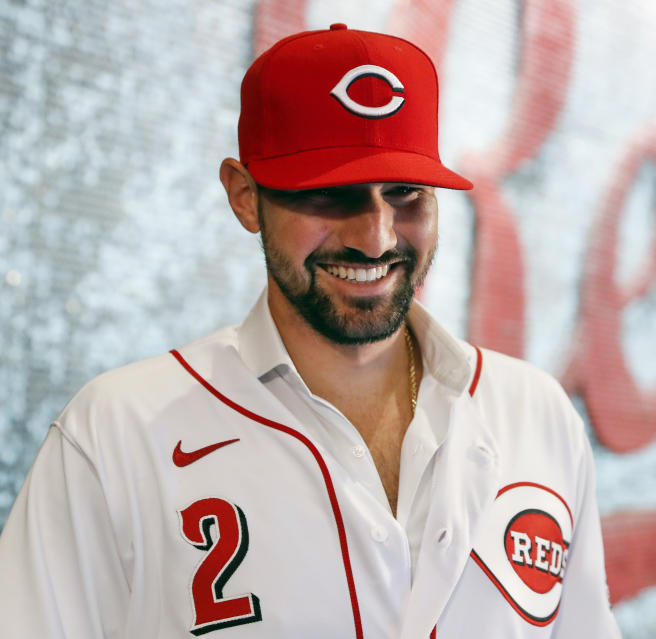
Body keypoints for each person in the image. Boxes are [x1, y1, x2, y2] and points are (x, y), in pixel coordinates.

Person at [0, 24, 621, 638]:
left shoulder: (535, 414)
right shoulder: (115, 431)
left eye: (405, 193)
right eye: (330, 194)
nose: (376, 236)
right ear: (245, 196)